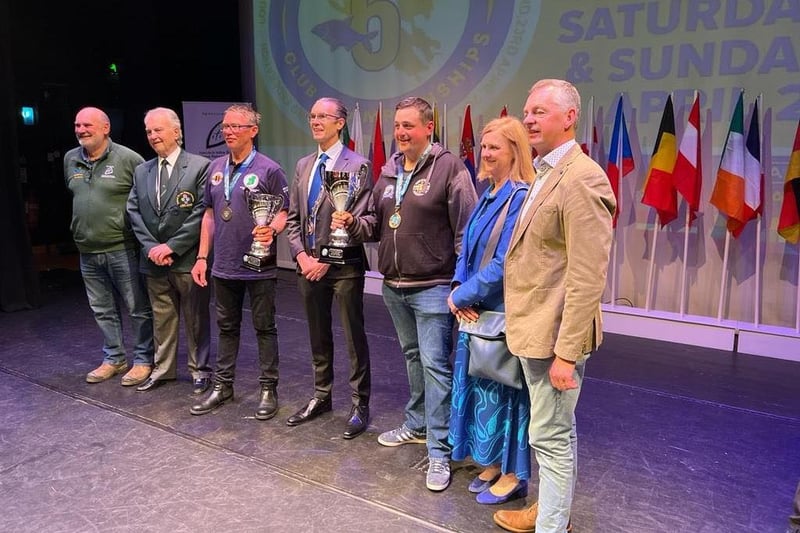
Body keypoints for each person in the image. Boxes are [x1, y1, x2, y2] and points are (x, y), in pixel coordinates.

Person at [333, 96, 477, 491]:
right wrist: (351, 222)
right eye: (398, 125)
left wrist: (462, 283)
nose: (400, 132)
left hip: (433, 286)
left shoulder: (449, 167)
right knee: (413, 359)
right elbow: (377, 225)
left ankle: (439, 452)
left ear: (428, 128)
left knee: (435, 366)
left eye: (409, 126)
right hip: (394, 286)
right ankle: (416, 425)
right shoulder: (388, 171)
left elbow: (467, 229)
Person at [494, 79, 616, 533]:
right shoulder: (545, 172)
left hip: (555, 337)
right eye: (527, 111)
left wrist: (567, 352)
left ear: (569, 118)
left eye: (540, 111)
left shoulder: (584, 178)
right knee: (553, 432)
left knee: (550, 435)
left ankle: (551, 525)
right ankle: (551, 513)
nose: (528, 119)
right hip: (534, 328)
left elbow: (588, 276)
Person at [446, 116, 533, 505]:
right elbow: (466, 249)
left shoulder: (519, 197)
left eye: (494, 147)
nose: (485, 153)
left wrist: (463, 296)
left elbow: (504, 263)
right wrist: (456, 288)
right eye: (484, 147)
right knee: (484, 389)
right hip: (474, 312)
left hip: (500, 317)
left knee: (508, 394)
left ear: (515, 151)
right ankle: (493, 462)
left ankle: (514, 473)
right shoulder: (487, 193)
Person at [189, 103, 289, 420]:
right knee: (227, 328)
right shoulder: (215, 168)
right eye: (226, 126)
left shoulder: (269, 169)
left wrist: (271, 229)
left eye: (236, 127)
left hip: (259, 266)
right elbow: (209, 214)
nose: (229, 132)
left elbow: (285, 212)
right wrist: (202, 256)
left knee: (264, 329)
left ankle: (268, 389)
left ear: (253, 131)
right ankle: (222, 386)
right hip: (224, 264)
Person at [284, 97, 373, 439]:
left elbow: (361, 217)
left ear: (340, 123)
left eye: (323, 116)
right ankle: (322, 395)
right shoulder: (304, 164)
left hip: (344, 266)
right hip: (308, 266)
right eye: (312, 116)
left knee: (354, 337)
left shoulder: (359, 165)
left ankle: (359, 403)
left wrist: (324, 259)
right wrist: (302, 257)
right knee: (317, 334)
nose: (316, 121)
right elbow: (293, 219)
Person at [64, 106, 154, 386]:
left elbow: (146, 201)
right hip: (87, 250)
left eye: (87, 125)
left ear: (106, 128)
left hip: (122, 247)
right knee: (102, 309)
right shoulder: (70, 159)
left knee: (136, 307)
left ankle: (143, 360)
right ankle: (114, 358)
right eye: (77, 125)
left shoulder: (128, 159)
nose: (81, 130)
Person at [126, 107, 212, 394]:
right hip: (153, 261)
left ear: (176, 132)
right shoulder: (142, 170)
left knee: (195, 317)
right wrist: (152, 247)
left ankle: (200, 371)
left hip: (186, 259)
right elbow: (133, 211)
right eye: (149, 131)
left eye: (158, 130)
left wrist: (172, 247)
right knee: (161, 317)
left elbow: (201, 212)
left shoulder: (199, 166)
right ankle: (163, 370)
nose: (153, 136)